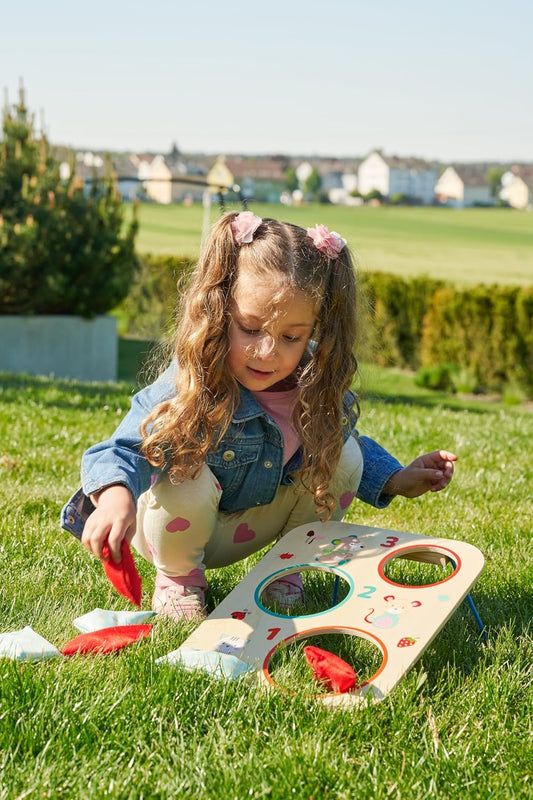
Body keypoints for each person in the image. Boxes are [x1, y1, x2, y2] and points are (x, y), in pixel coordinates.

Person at [61, 211, 457, 621]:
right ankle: (179, 582)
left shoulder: (312, 383)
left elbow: (337, 440)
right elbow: (124, 448)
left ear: (315, 329)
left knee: (344, 456)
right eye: (250, 328)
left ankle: (286, 570)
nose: (268, 352)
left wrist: (396, 478)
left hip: (246, 526)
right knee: (186, 473)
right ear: (220, 311)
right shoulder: (192, 380)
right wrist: (114, 500)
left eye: (291, 336)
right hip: (173, 527)